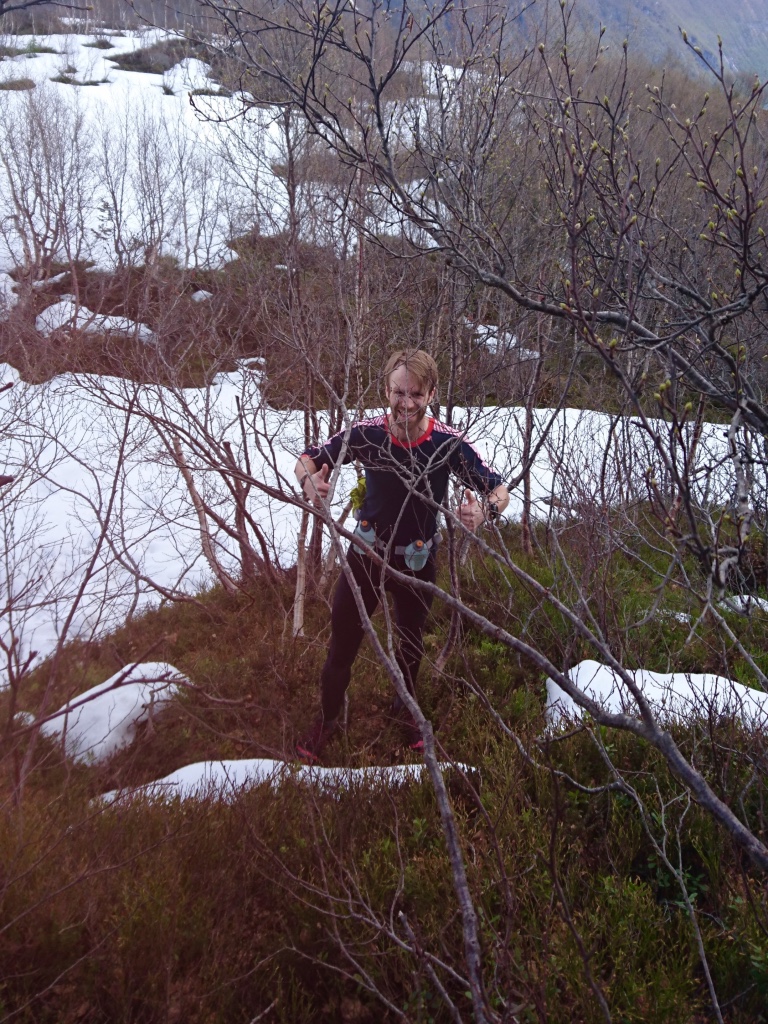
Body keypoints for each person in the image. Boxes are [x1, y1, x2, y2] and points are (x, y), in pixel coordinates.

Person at [294, 349, 510, 762]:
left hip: (417, 561)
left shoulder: (447, 443)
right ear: (385, 390)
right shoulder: (367, 434)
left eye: (415, 394)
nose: (405, 403)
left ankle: (406, 710)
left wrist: (484, 511)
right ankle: (328, 718)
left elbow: (499, 489)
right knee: (342, 645)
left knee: (411, 646)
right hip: (366, 556)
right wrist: (310, 484)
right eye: (398, 392)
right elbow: (308, 460)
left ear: (431, 393)